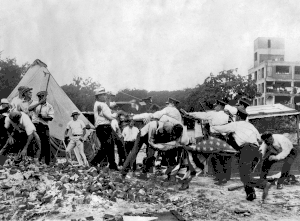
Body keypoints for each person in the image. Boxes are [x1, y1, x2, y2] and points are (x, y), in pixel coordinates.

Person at [211, 107, 268, 202]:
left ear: (237, 116)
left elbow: (219, 129)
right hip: (256, 151)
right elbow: (259, 139)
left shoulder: (236, 125)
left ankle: (264, 185)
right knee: (246, 174)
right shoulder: (251, 126)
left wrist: (212, 124)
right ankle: (250, 194)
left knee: (245, 176)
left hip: (246, 150)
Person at [183, 99, 233, 185]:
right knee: (224, 158)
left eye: (216, 105)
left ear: (220, 106)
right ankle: (226, 177)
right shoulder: (228, 115)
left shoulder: (213, 114)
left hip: (215, 137)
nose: (215, 107)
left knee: (215, 157)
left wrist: (188, 114)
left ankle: (220, 178)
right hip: (225, 138)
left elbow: (201, 115)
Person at [90, 87, 119, 170]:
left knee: (109, 146)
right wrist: (116, 114)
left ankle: (112, 165)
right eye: (102, 95)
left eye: (104, 94)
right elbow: (109, 117)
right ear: (98, 96)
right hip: (103, 127)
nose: (105, 96)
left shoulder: (99, 104)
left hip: (103, 127)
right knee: (106, 147)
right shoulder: (101, 104)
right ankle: (94, 162)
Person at [28, 91, 55, 165]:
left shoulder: (49, 106)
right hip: (35, 125)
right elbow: (29, 109)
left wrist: (43, 116)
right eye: (39, 97)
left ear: (45, 97)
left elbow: (51, 117)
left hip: (44, 125)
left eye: (42, 96)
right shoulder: (35, 103)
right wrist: (39, 103)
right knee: (34, 142)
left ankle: (47, 162)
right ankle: (35, 160)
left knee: (46, 143)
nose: (40, 98)